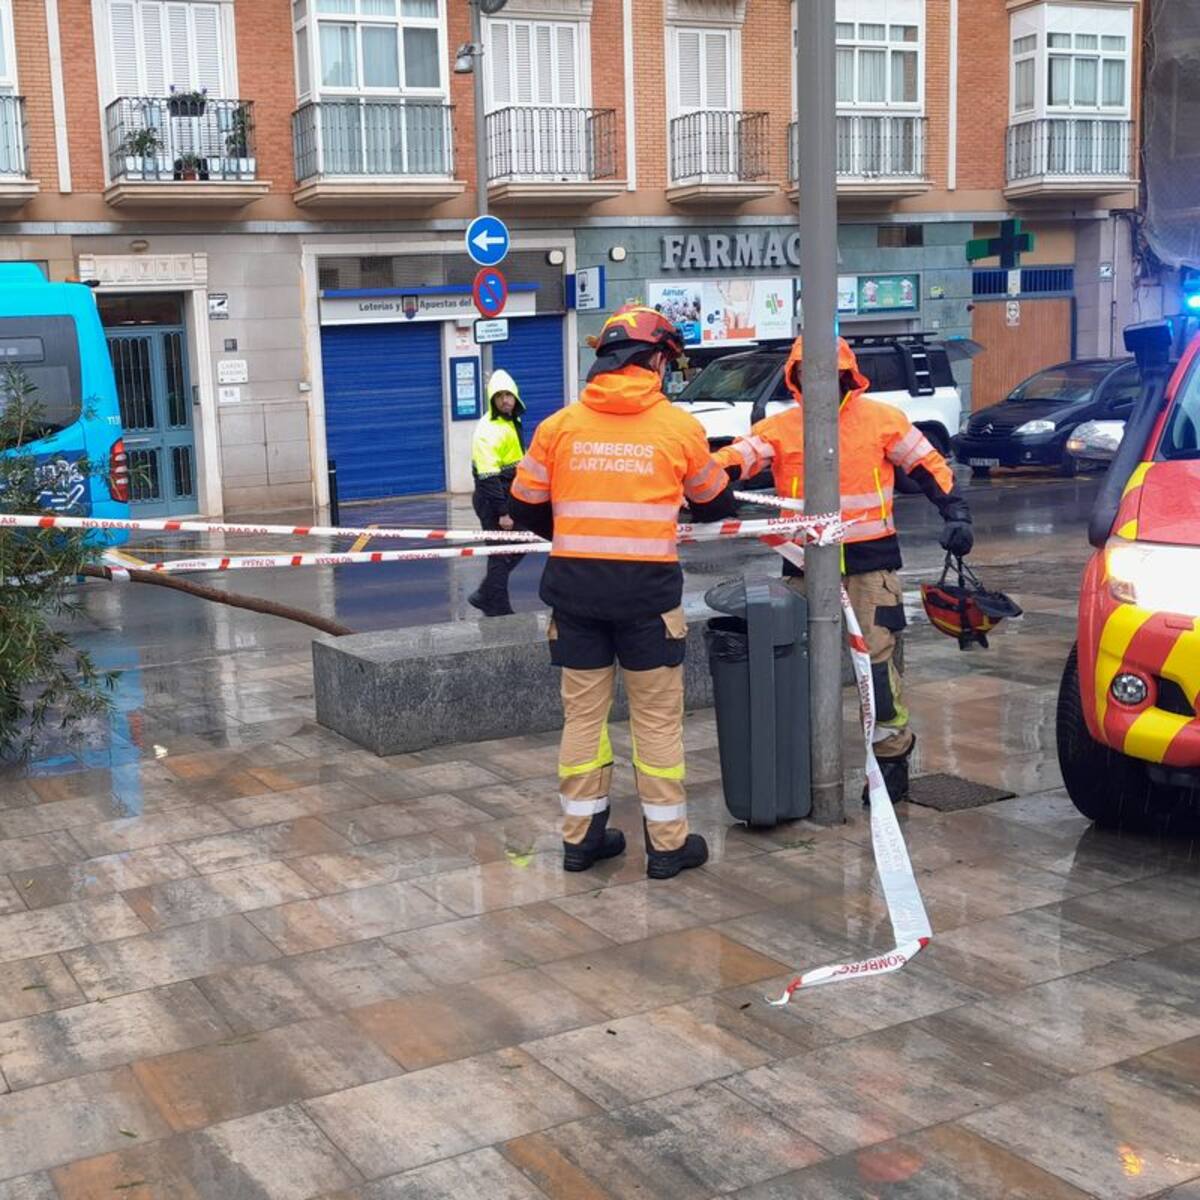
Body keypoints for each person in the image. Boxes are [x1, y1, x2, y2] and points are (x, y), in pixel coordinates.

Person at [509, 305, 738, 878]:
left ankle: (581, 841)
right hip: (647, 603)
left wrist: (577, 534)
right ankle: (666, 848)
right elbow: (716, 504)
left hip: (575, 598)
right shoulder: (677, 429)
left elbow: (522, 506)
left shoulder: (559, 427)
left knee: (582, 722)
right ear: (657, 361)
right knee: (656, 725)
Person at [714, 335, 974, 805]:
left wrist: (956, 513)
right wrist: (702, 478)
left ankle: (891, 762)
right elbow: (737, 458)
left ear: (845, 377)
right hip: (803, 566)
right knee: (797, 669)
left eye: (828, 377)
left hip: (870, 566)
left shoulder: (882, 421)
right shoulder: (783, 427)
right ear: (795, 380)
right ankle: (804, 767)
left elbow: (929, 466)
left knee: (876, 670)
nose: (819, 386)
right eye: (807, 377)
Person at [469, 369, 525, 617]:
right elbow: (488, 475)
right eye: (500, 396)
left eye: (508, 395)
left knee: (523, 543)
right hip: (493, 498)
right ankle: (498, 607)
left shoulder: (511, 421)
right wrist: (503, 512)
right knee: (500, 554)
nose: (505, 400)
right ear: (492, 398)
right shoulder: (489, 429)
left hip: (508, 494)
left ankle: (485, 594)